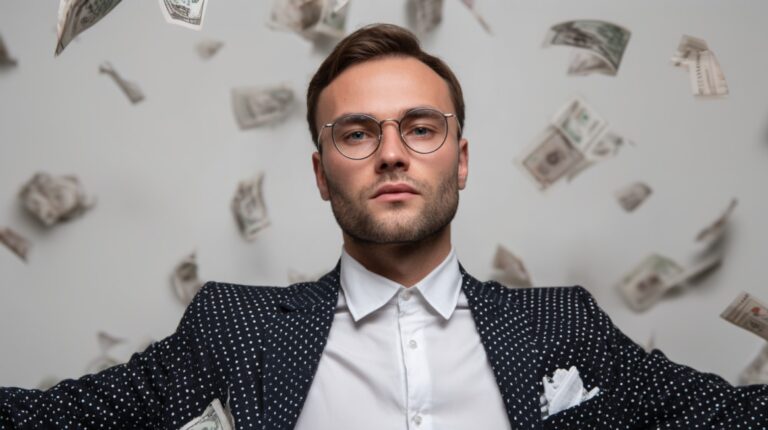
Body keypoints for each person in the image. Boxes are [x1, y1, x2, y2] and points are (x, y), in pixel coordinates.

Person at [2, 23, 767, 430]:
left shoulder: (562, 324)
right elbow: (50, 419)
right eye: (358, 133)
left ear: (460, 161)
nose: (393, 153)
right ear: (320, 171)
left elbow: (732, 417)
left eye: (421, 129)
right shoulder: (231, 327)